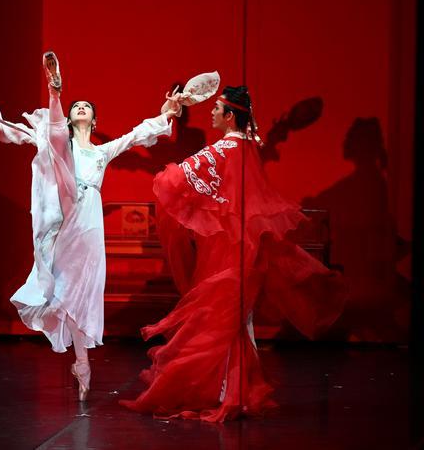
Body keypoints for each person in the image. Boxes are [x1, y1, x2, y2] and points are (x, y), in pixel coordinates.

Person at [0, 51, 219, 400]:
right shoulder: (59, 142)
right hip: (62, 207)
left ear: (94, 122)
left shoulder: (101, 152)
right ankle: (54, 91)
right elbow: (21, 133)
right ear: (71, 118)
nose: (81, 108)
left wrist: (167, 113)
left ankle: (82, 362)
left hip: (87, 219)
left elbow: (136, 135)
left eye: (86, 107)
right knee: (54, 144)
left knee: (79, 291)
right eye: (76, 106)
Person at [120, 85, 346, 422]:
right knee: (238, 318)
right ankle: (240, 390)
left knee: (219, 319)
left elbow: (176, 180)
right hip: (245, 247)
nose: (211, 113)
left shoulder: (225, 148)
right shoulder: (248, 148)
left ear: (229, 116)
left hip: (226, 252)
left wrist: (169, 179)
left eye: (216, 109)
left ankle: (226, 392)